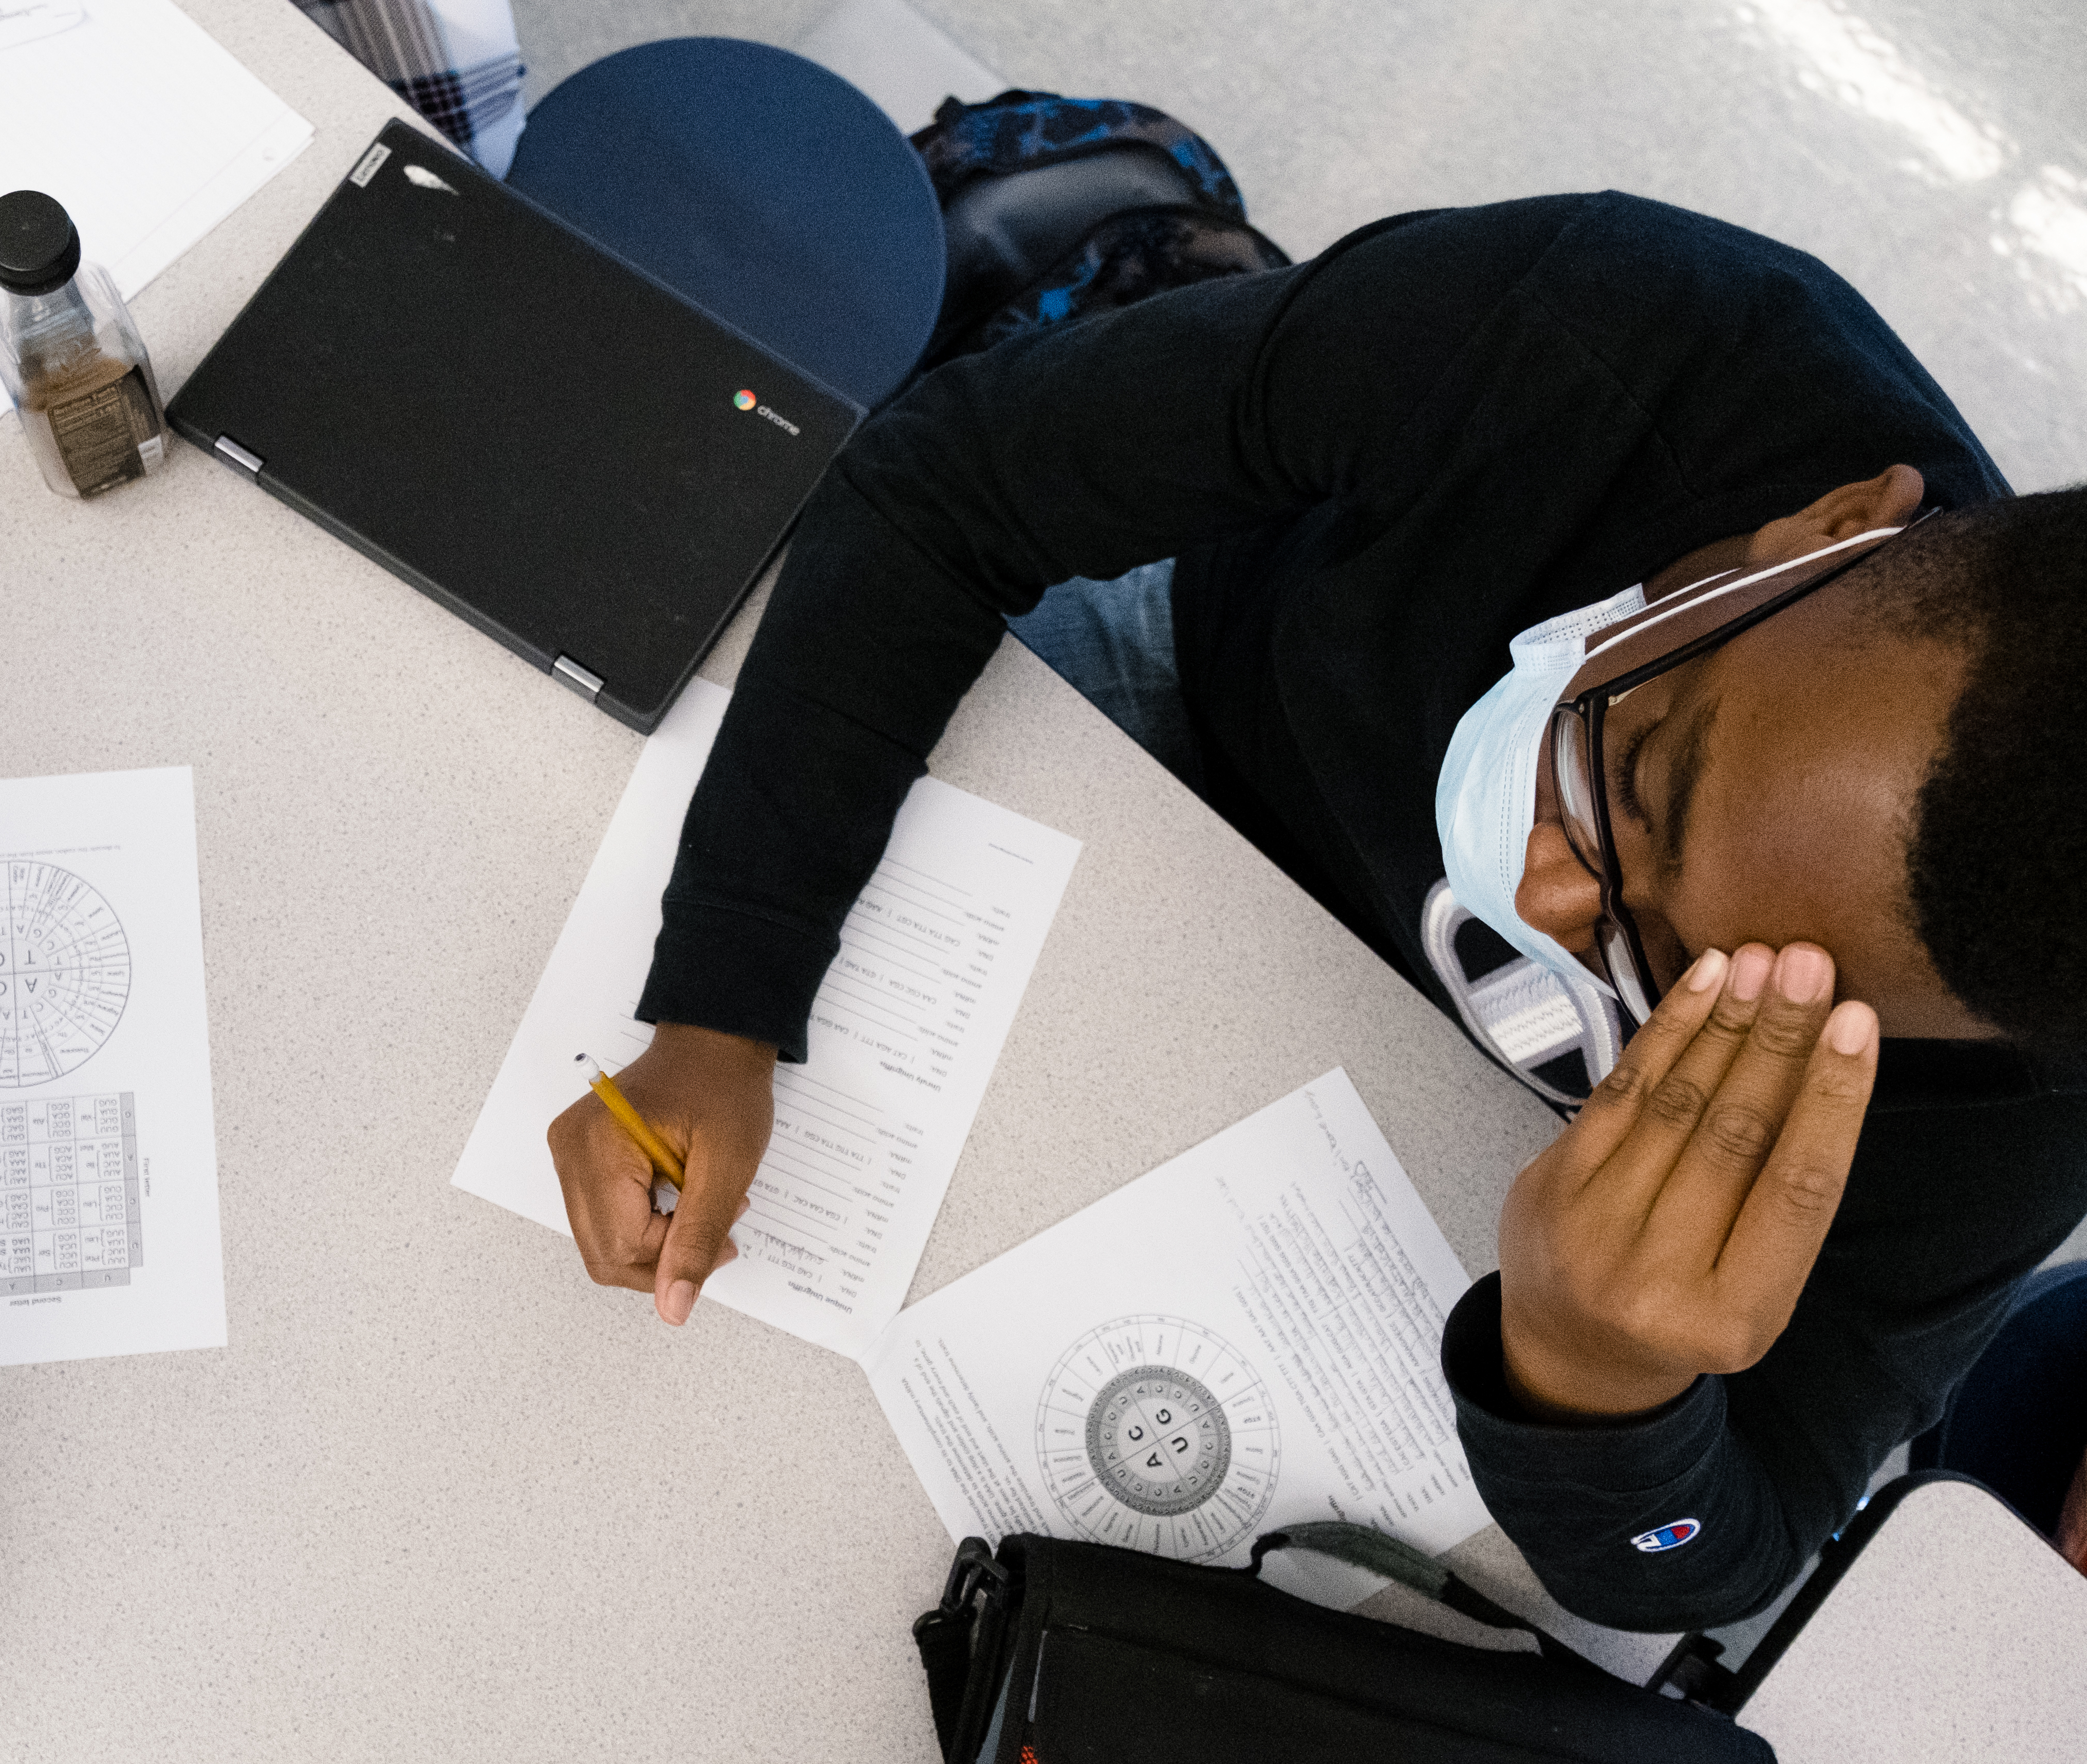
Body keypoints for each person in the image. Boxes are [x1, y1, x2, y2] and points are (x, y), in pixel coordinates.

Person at [545, 191, 2087, 1635]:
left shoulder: (2022, 1084)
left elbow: (1719, 1550)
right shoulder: (1607, 334)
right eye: (1649, 764)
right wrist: (725, 998)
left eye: (1712, 969)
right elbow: (947, 484)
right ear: (1820, 534)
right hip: (1193, 713)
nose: (1548, 889)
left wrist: (1597, 1377)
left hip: (1391, 1183)